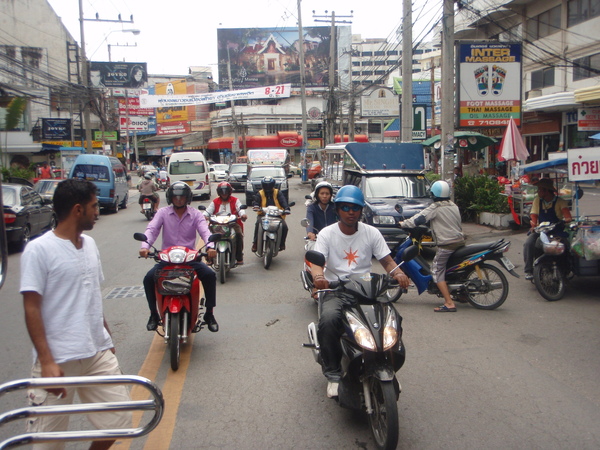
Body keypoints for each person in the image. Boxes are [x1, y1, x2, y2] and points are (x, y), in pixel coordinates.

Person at [20, 179, 131, 449]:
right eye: (94, 206)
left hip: (96, 353)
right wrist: (46, 361)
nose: (98, 211)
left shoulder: (91, 244)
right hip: (58, 359)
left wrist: (106, 334)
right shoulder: (39, 250)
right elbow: (31, 307)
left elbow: (91, 293)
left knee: (120, 421)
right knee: (47, 443)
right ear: (78, 210)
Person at [311, 185, 410, 398]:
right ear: (337, 209)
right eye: (345, 207)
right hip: (337, 290)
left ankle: (388, 366)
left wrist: (398, 274)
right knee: (328, 321)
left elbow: (387, 260)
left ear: (360, 210)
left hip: (367, 289)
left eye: (355, 207)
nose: (350, 212)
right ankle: (333, 374)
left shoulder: (371, 232)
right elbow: (317, 262)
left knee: (393, 320)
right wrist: (319, 278)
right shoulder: (327, 234)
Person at [140, 182, 219, 332]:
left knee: (209, 275)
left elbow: (205, 232)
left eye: (182, 197)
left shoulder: (195, 214)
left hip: (190, 259)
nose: (178, 200)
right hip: (167, 259)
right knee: (148, 278)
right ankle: (153, 314)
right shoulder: (162, 213)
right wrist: (145, 247)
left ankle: (209, 313)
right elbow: (152, 229)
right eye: (175, 197)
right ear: (170, 197)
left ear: (187, 198)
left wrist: (210, 247)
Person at [398, 180, 465, 312]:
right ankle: (462, 295)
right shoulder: (453, 206)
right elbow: (448, 223)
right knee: (453, 269)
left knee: (436, 270)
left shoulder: (436, 207)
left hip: (447, 244)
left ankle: (449, 303)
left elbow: (418, 219)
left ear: (434, 194)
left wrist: (403, 224)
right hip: (459, 241)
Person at [523, 178, 572, 280]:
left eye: (540, 189)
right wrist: (533, 224)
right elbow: (534, 215)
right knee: (529, 243)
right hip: (541, 230)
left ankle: (566, 269)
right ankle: (528, 270)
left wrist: (566, 220)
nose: (538, 191)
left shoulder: (560, 202)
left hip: (556, 230)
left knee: (566, 246)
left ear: (546, 190)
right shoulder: (537, 200)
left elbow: (568, 216)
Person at [205, 181, 248, 265]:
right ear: (219, 192)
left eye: (226, 192)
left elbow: (240, 209)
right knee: (208, 235)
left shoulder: (235, 200)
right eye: (222, 192)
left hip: (232, 224)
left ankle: (239, 257)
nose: (224, 194)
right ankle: (209, 257)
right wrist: (204, 216)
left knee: (238, 234)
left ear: (229, 192)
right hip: (217, 225)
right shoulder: (215, 201)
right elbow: (207, 212)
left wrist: (243, 215)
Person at [251, 176, 290, 252]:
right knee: (258, 224)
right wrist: (256, 206)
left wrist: (286, 208)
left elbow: (283, 201)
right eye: (266, 185)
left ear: (273, 185)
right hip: (263, 215)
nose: (267, 187)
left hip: (277, 215)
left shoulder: (278, 192)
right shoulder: (260, 193)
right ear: (263, 185)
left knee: (284, 227)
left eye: (269, 185)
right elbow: (256, 201)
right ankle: (255, 243)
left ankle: (282, 243)